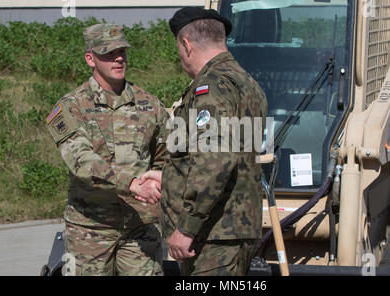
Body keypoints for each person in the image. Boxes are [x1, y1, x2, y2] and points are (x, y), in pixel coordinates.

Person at [139, 7, 268, 276]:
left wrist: (187, 227)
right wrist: (171, 177)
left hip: (213, 235)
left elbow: (216, 160)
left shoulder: (210, 87)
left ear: (186, 45)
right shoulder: (246, 82)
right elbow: (234, 156)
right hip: (235, 227)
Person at [46, 23, 167, 276]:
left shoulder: (150, 104)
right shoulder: (71, 106)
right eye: (109, 53)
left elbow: (166, 155)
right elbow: (81, 160)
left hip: (140, 228)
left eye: (122, 51)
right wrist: (132, 183)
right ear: (90, 58)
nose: (119, 58)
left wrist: (157, 183)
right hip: (90, 231)